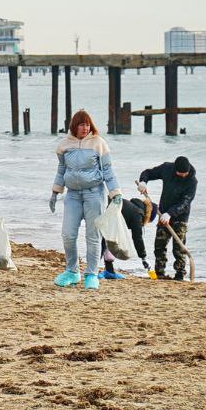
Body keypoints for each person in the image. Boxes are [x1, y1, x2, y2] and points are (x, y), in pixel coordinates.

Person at [50, 110, 120, 290]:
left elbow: (108, 170)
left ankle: (91, 274)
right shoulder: (64, 145)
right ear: (74, 126)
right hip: (72, 194)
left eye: (87, 124)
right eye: (81, 124)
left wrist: (115, 192)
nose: (85, 128)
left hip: (94, 194)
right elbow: (61, 169)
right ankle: (72, 272)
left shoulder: (99, 143)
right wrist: (55, 191)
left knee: (93, 236)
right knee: (68, 234)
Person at [138, 156, 197, 282]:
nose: (182, 176)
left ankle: (180, 274)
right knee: (159, 245)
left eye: (184, 174)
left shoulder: (192, 181)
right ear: (175, 169)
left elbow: (185, 202)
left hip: (180, 216)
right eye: (179, 173)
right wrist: (143, 181)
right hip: (163, 212)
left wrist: (170, 214)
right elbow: (148, 173)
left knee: (179, 248)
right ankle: (159, 273)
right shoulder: (167, 169)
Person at [101, 195, 157, 279]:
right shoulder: (137, 214)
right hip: (106, 215)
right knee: (104, 243)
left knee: (106, 242)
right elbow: (137, 238)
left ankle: (109, 271)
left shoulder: (131, 206)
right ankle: (94, 272)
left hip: (102, 210)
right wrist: (143, 257)